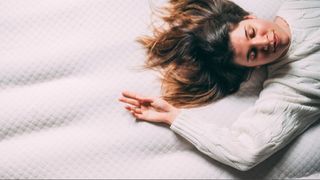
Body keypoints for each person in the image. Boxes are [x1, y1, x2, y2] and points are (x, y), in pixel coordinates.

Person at [119, 0, 320, 171]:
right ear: (255, 65)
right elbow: (245, 151)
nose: (263, 43)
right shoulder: (290, 89)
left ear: (249, 18)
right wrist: (174, 117)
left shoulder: (299, 5)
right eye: (252, 54)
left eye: (251, 33)